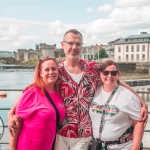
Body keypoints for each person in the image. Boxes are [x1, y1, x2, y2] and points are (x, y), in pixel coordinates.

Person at [8, 29, 148, 150]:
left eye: (78, 44)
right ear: (63, 45)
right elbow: (34, 88)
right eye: (70, 43)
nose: (74, 47)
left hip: (83, 134)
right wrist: (11, 112)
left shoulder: (92, 69)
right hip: (60, 133)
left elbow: (115, 79)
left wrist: (141, 102)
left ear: (81, 46)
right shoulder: (56, 70)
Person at [9, 57, 66, 150]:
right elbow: (15, 125)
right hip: (29, 146)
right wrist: (12, 148)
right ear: (40, 73)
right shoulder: (33, 92)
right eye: (47, 70)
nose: (51, 72)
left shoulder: (58, 93)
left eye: (53, 69)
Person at [89, 60, 144, 150]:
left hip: (122, 146)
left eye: (113, 73)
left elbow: (139, 122)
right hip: (98, 146)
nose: (109, 76)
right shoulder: (95, 90)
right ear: (101, 74)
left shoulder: (128, 96)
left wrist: (135, 147)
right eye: (106, 72)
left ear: (118, 74)